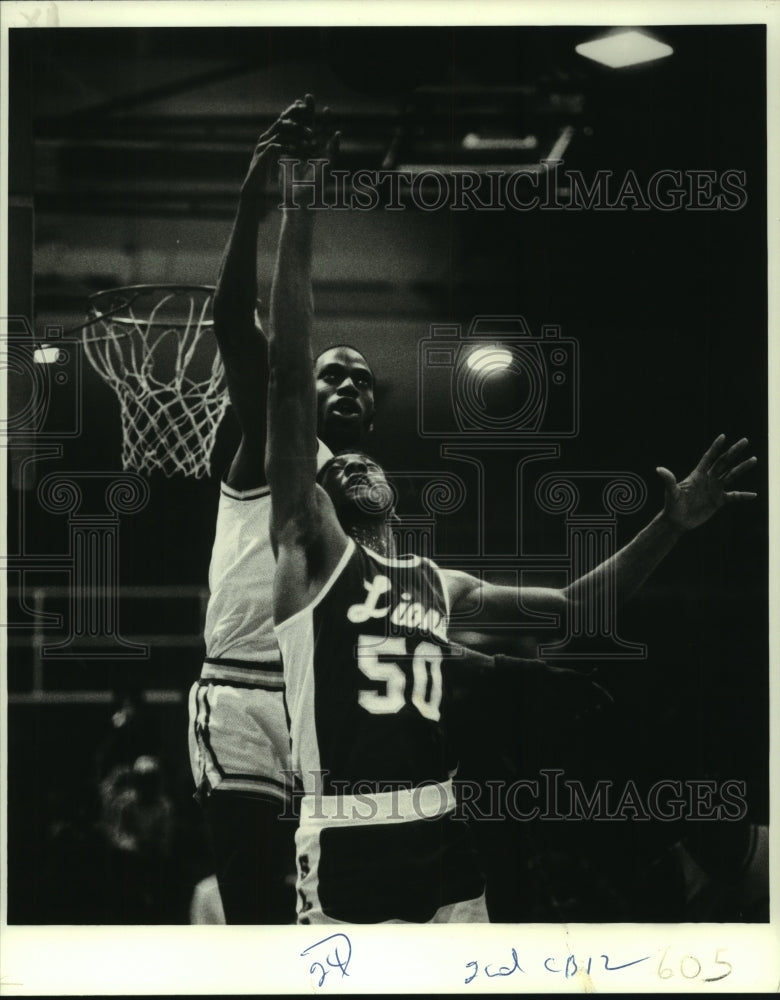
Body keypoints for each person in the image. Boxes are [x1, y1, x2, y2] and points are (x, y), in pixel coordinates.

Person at [265, 108, 757, 924]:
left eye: (364, 406)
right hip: (353, 848)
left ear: (392, 483)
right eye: (333, 459)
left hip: (449, 846)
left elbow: (578, 608)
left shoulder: (434, 581)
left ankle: (705, 861)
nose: (350, 456)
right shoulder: (311, 556)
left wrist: (673, 522)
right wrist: (303, 202)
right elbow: (286, 379)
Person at [187, 96, 376, 923]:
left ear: (374, 408)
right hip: (237, 690)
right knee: (256, 915)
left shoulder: (368, 496)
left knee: (321, 919)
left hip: (316, 703)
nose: (342, 384)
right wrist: (253, 194)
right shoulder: (276, 441)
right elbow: (235, 321)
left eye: (359, 379)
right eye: (330, 372)